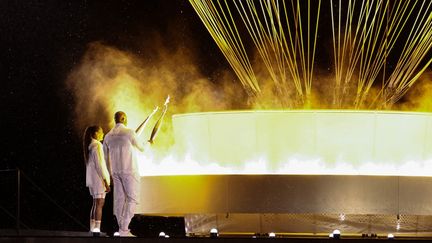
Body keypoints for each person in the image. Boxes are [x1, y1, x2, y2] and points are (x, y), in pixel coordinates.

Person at [104, 96, 169, 237]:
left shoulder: (108, 136)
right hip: (129, 171)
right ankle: (124, 229)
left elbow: (105, 158)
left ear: (115, 120)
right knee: (132, 199)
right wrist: (149, 143)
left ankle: (121, 229)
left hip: (115, 172)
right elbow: (142, 148)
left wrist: (150, 115)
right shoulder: (128, 133)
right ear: (124, 119)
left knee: (120, 200)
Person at [83, 125, 111, 233]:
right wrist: (105, 181)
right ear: (95, 133)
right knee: (99, 203)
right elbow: (100, 165)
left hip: (93, 180)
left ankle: (92, 229)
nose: (103, 134)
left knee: (95, 203)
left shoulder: (90, 146)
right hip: (98, 179)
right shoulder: (97, 145)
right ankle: (97, 230)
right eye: (101, 132)